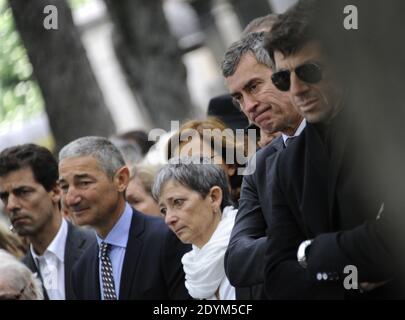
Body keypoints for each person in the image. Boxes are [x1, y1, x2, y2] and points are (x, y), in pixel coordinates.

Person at [263, 0, 403, 299]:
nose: (296, 89)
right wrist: (348, 276)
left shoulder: (392, 129)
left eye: (310, 71)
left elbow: (393, 243)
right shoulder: (289, 163)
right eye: (282, 78)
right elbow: (277, 278)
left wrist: (309, 252)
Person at [221, 31, 304, 298]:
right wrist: (310, 244)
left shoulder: (343, 135)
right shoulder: (261, 166)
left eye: (254, 86)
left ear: (283, 72)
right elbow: (237, 260)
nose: (249, 106)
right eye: (239, 98)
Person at [58, 136, 190, 300]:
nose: (71, 199)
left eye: (84, 183)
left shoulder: (168, 239)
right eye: (64, 187)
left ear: (121, 180)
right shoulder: (81, 270)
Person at [0, 144, 95, 300]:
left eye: (23, 192)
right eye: (4, 196)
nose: (11, 205)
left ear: (56, 191)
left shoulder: (98, 248)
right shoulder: (19, 274)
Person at [152, 156, 237, 300]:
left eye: (178, 202)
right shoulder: (193, 269)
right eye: (163, 210)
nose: (168, 219)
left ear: (214, 198)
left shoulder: (249, 247)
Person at [167, 117, 251, 206]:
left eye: (200, 161)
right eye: (179, 166)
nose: (190, 172)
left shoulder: (256, 208)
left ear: (231, 165)